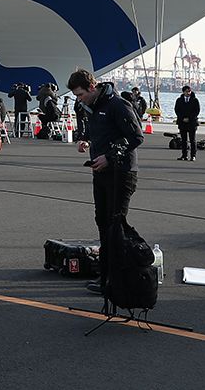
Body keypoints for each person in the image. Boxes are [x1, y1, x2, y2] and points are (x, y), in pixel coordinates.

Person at [69, 68, 143, 296]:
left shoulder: (118, 105)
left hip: (121, 173)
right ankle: (106, 275)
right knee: (102, 221)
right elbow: (101, 131)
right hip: (100, 172)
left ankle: (117, 278)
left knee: (115, 225)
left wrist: (109, 157)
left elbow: (136, 136)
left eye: (80, 94)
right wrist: (86, 139)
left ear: (92, 87)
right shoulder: (93, 106)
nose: (78, 100)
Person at [173, 85, 200, 161]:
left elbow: (197, 111)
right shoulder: (179, 100)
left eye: (189, 91)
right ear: (183, 92)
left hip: (192, 122)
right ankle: (184, 155)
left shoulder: (195, 100)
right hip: (182, 122)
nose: (188, 93)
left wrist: (189, 118)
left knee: (192, 140)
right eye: (186, 91)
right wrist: (182, 118)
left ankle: (193, 155)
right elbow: (177, 110)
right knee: (183, 140)